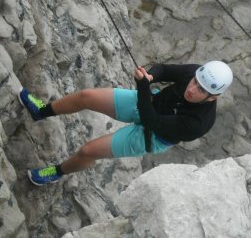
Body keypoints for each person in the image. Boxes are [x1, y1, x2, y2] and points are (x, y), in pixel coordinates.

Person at [19, 61, 233, 186]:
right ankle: (41, 111)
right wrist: (149, 75)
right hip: (150, 102)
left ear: (212, 98)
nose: (193, 89)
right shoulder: (196, 73)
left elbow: (151, 121)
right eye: (196, 82)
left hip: (153, 134)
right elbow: (165, 70)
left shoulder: (198, 123)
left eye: (202, 90)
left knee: (87, 151)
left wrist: (142, 87)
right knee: (86, 96)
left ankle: (57, 172)